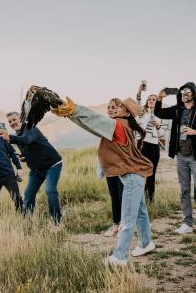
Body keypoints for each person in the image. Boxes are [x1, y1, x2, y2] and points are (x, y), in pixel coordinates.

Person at [52, 96, 155, 265]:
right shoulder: (121, 125)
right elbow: (94, 127)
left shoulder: (119, 125)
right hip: (134, 176)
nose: (116, 108)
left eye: (120, 106)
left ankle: (120, 256)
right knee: (140, 212)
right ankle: (146, 243)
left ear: (126, 112)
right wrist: (70, 115)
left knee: (127, 218)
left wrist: (74, 110)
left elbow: (95, 121)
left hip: (132, 178)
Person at [0, 112, 63, 225]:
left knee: (50, 190)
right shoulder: (18, 133)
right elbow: (29, 148)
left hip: (52, 165)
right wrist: (25, 157)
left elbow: (27, 139)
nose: (12, 123)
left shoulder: (30, 127)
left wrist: (9, 138)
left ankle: (57, 223)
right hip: (36, 170)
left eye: (14, 119)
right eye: (10, 121)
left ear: (21, 118)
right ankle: (27, 222)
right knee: (28, 195)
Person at [154, 82, 196, 234]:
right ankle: (187, 224)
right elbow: (159, 113)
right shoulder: (178, 110)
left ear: (194, 93)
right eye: (183, 91)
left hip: (195, 157)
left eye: (188, 90)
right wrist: (160, 97)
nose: (185, 93)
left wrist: (194, 132)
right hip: (181, 156)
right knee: (184, 190)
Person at [136, 84, 165, 202]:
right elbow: (137, 104)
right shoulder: (142, 113)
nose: (151, 101)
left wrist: (158, 126)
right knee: (141, 173)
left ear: (157, 102)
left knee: (152, 173)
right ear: (147, 101)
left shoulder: (160, 115)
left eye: (154, 99)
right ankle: (140, 198)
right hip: (143, 145)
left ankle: (150, 199)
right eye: (149, 99)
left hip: (154, 147)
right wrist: (139, 92)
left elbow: (162, 135)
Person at [103, 98, 123, 237]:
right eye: (109, 107)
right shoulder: (106, 124)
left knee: (123, 196)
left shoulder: (121, 124)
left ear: (119, 108)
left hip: (121, 166)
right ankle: (115, 224)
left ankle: (124, 225)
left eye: (113, 107)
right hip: (109, 167)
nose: (110, 109)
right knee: (114, 196)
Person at [0, 131, 23, 212]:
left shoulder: (1, 139)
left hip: (8, 175)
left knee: (17, 199)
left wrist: (19, 168)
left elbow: (12, 153)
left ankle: (25, 220)